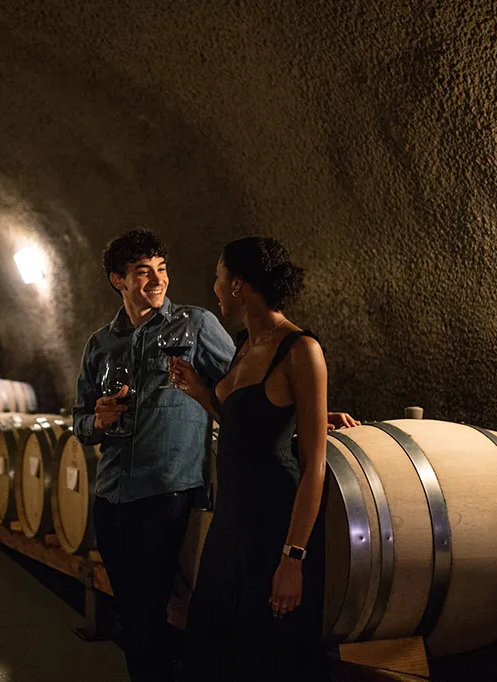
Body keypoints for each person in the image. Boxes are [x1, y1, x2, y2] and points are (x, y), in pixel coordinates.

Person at [72, 229, 236, 682]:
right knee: (132, 611)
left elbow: (243, 387)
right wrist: (97, 421)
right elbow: (79, 421)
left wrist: (313, 411)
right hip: (110, 494)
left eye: (161, 269)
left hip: (167, 490)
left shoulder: (195, 324)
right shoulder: (100, 345)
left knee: (146, 614)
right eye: (142, 273)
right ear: (117, 280)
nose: (156, 281)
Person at [171, 236, 337, 680]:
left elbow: (313, 465)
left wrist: (293, 558)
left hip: (272, 530)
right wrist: (200, 392)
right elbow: (241, 419)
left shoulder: (301, 350)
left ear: (240, 285)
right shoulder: (244, 343)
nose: (216, 287)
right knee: (212, 650)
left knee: (262, 658)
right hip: (230, 526)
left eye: (220, 278)